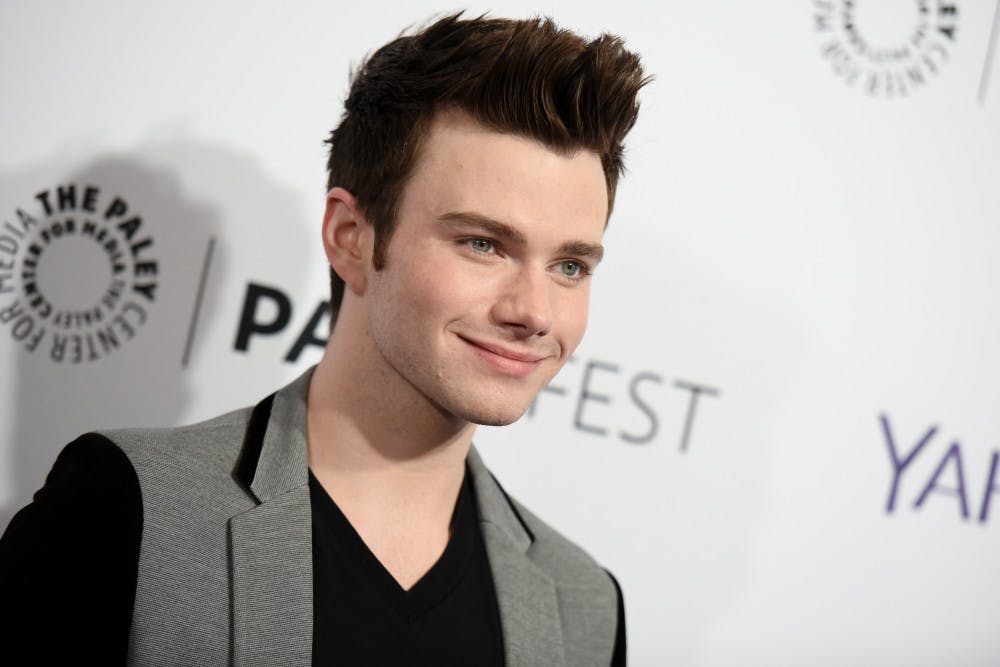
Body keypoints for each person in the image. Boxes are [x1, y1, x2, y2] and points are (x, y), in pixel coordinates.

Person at [0, 12, 646, 666]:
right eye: (483, 244)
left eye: (570, 266)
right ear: (350, 238)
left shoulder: (584, 610)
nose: (534, 311)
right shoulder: (127, 510)